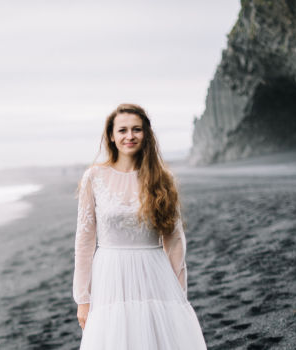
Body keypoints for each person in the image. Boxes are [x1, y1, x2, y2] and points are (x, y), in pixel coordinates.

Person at [72, 103, 207, 349]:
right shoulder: (94, 177)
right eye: (122, 130)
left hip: (154, 272)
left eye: (137, 129)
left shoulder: (163, 178)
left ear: (146, 134)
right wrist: (83, 298)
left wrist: (177, 290)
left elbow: (174, 239)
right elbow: (84, 240)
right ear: (111, 136)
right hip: (110, 275)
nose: (130, 136)